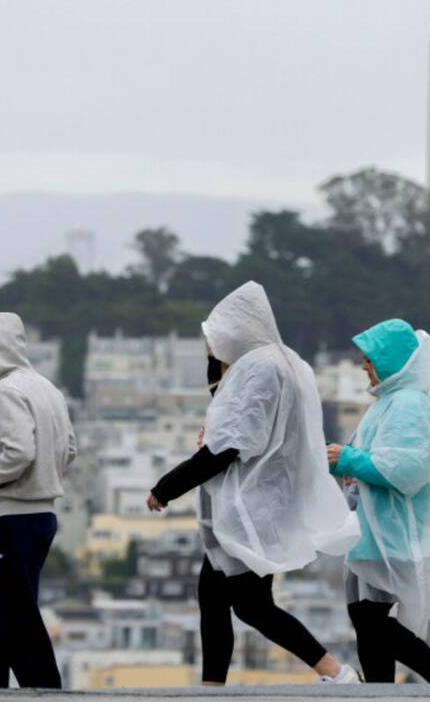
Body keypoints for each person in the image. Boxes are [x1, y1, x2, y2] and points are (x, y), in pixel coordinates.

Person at [146, 281, 362, 685]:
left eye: (215, 337)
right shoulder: (284, 362)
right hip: (260, 501)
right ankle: (212, 686)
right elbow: (231, 422)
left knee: (251, 605)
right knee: (213, 597)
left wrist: (167, 487)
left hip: (251, 505)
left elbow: (229, 446)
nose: (211, 346)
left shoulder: (261, 367)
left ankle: (336, 673)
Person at [327, 318, 430, 684]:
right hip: (376, 528)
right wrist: (350, 462)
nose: (364, 365)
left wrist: (348, 460)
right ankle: (383, 689)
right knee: (366, 619)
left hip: (394, 531)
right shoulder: (391, 402)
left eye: (369, 358)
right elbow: (380, 457)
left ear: (389, 360)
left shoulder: (409, 405)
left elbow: (407, 467)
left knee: (371, 620)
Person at [0, 312, 75, 689]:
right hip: (39, 516)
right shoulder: (47, 388)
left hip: (14, 516)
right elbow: (69, 449)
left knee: (14, 617)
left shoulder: (8, 391)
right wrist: (44, 477)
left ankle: (43, 694)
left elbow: (19, 452)